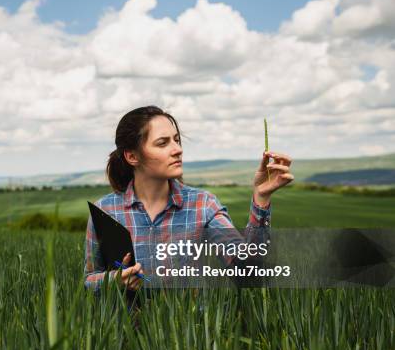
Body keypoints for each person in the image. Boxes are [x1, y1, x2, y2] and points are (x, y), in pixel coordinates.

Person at [84, 105, 294, 293]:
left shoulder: (203, 206)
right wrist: (115, 281)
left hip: (190, 332)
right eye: (162, 143)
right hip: (127, 333)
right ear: (132, 157)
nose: (178, 149)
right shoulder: (105, 211)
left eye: (176, 140)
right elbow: (89, 279)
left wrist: (261, 198)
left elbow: (248, 271)